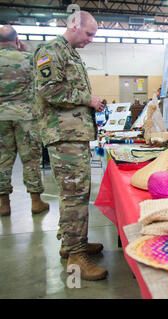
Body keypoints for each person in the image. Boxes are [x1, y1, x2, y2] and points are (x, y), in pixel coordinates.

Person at [33, 11, 107, 280]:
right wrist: (88, 99)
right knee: (74, 194)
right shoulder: (51, 50)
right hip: (64, 136)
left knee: (77, 193)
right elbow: (49, 90)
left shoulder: (69, 52)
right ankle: (76, 256)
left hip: (73, 135)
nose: (90, 40)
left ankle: (72, 243)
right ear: (74, 25)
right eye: (88, 34)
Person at [0, 26, 49, 217]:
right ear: (17, 39)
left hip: (1, 116)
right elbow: (42, 84)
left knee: (2, 159)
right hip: (26, 116)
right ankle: (36, 202)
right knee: (31, 159)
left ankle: (3, 204)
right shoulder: (29, 58)